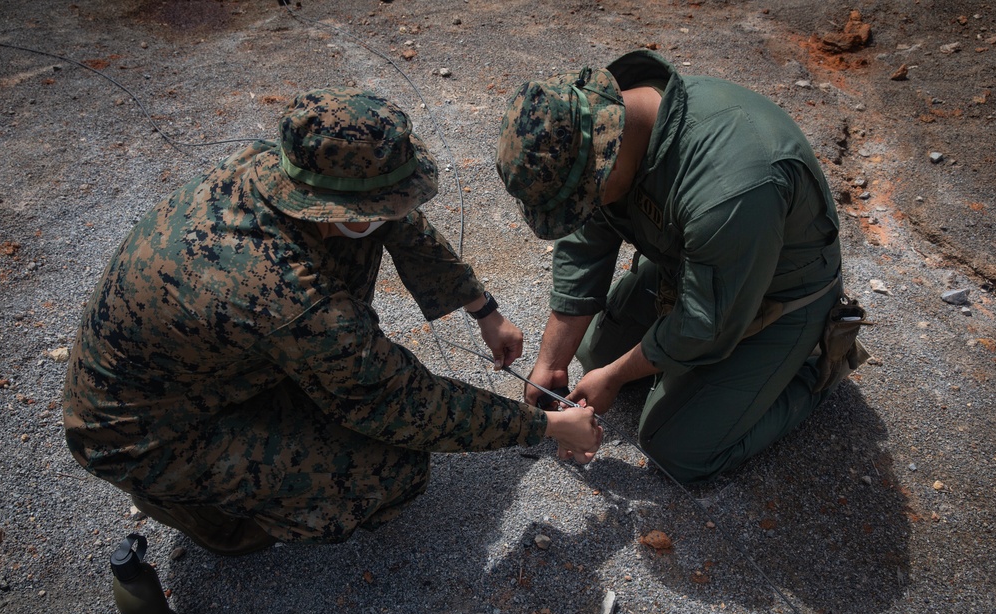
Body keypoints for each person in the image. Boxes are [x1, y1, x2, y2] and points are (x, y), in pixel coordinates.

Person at [63, 87, 602, 556]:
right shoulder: (285, 294)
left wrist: (483, 310)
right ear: (331, 205)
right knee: (389, 471)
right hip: (141, 432)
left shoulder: (275, 170)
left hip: (204, 369)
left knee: (346, 382)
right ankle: (201, 511)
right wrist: (548, 425)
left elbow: (396, 217)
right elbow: (402, 401)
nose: (394, 209)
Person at [495, 50, 850, 483]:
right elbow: (586, 243)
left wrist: (616, 375)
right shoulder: (612, 129)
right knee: (590, 353)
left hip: (777, 300)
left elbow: (706, 322)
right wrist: (552, 360)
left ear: (607, 156)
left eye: (582, 200)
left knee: (678, 448)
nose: (582, 210)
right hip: (697, 268)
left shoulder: (731, 187)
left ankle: (813, 367)